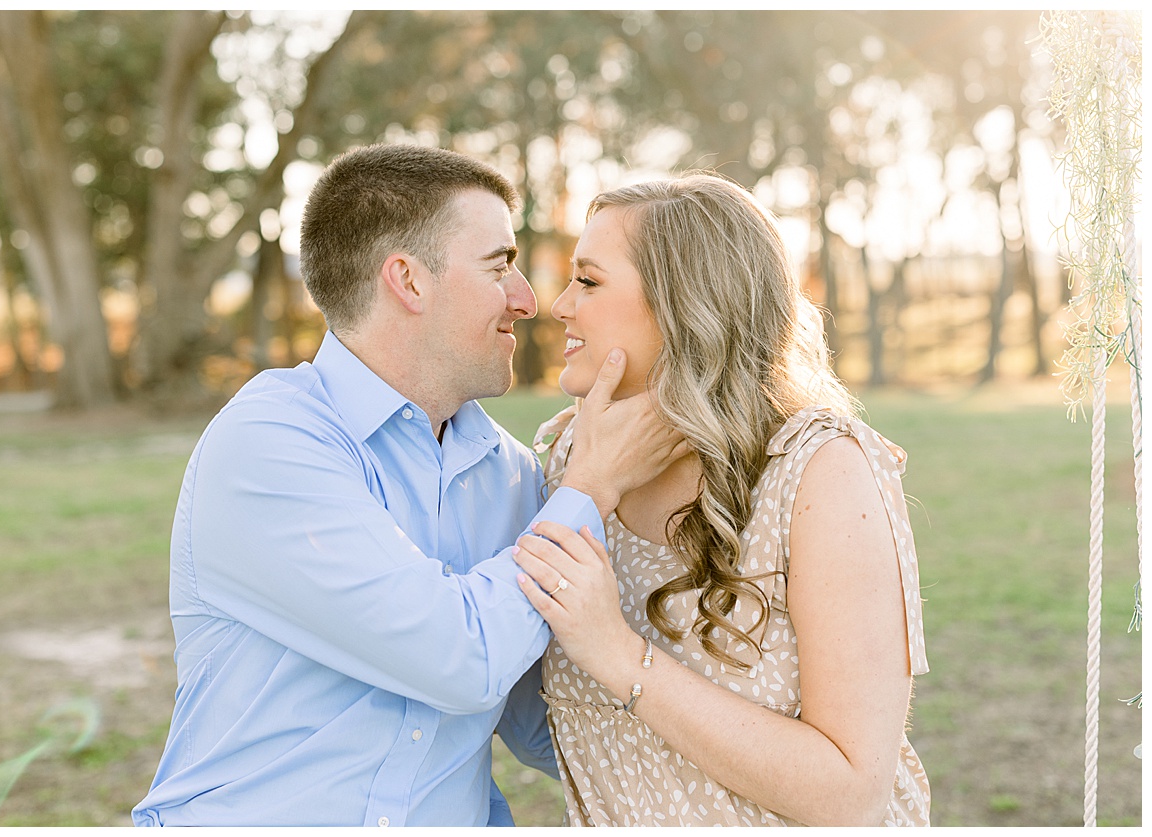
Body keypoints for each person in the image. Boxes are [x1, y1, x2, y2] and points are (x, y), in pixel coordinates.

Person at [132, 144, 685, 826]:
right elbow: (460, 657)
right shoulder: (268, 442)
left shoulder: (510, 473)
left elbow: (543, 719)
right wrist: (593, 484)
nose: (528, 300)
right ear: (409, 281)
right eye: (500, 266)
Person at [510, 173, 930, 825]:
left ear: (683, 302)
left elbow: (852, 793)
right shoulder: (570, 461)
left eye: (588, 281)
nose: (558, 305)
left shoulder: (818, 469)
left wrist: (618, 653)